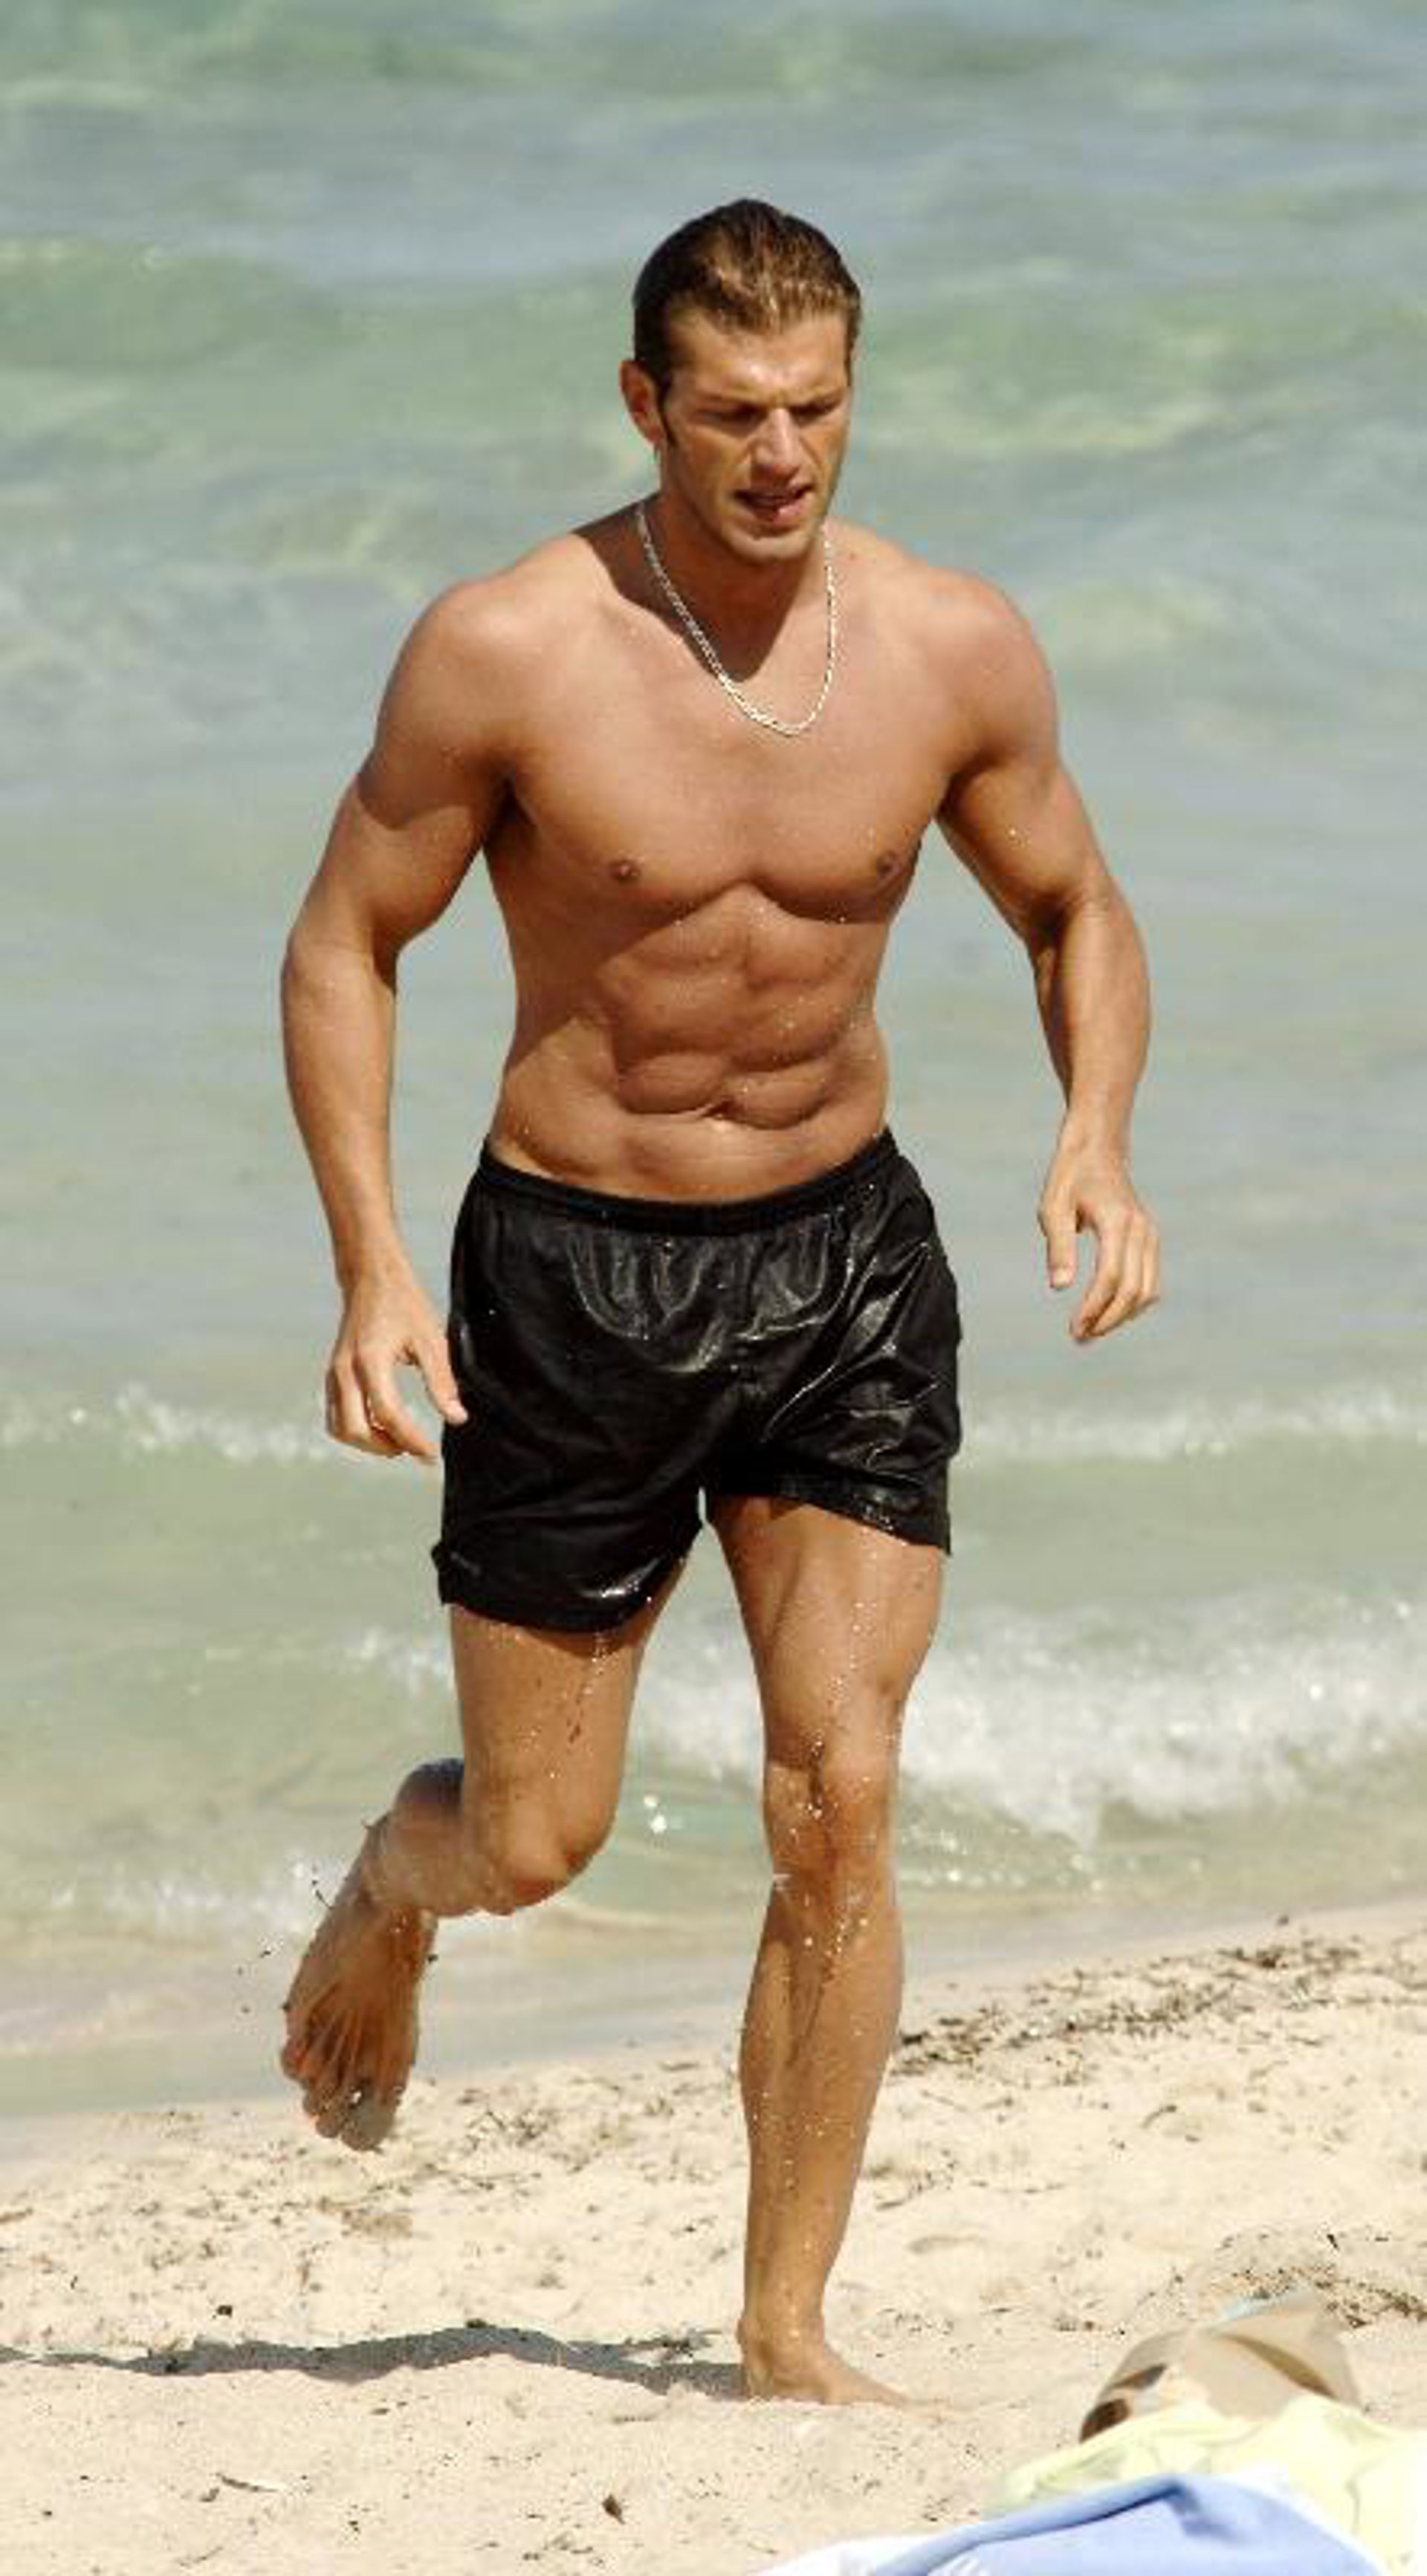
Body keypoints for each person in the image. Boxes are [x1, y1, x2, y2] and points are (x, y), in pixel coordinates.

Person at [278, 198, 1159, 2406]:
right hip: (574, 1276)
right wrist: (372, 1260)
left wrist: (1096, 1131)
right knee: (534, 1837)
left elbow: (1075, 906)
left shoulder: (950, 646)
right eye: (739, 414)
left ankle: (783, 2332)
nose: (784, 456)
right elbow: (344, 945)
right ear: (644, 404)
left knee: (836, 1792)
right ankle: (393, 1885)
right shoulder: (511, 649)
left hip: (842, 1264)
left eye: (819, 410)